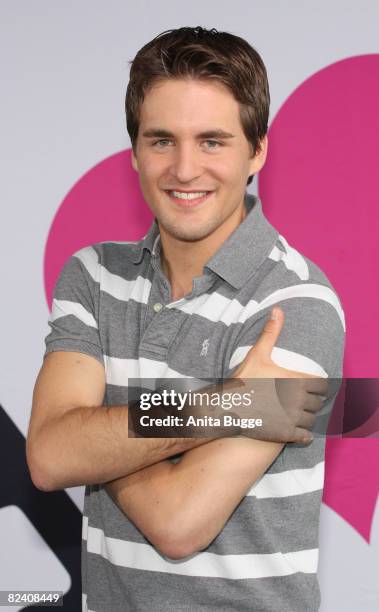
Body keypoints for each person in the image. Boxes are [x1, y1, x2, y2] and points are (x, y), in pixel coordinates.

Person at [26, 27, 345, 612]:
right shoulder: (93, 275)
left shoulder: (297, 303)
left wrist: (95, 440)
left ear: (258, 151)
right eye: (161, 140)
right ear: (135, 151)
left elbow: (179, 523)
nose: (184, 168)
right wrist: (232, 403)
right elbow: (48, 457)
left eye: (213, 141)